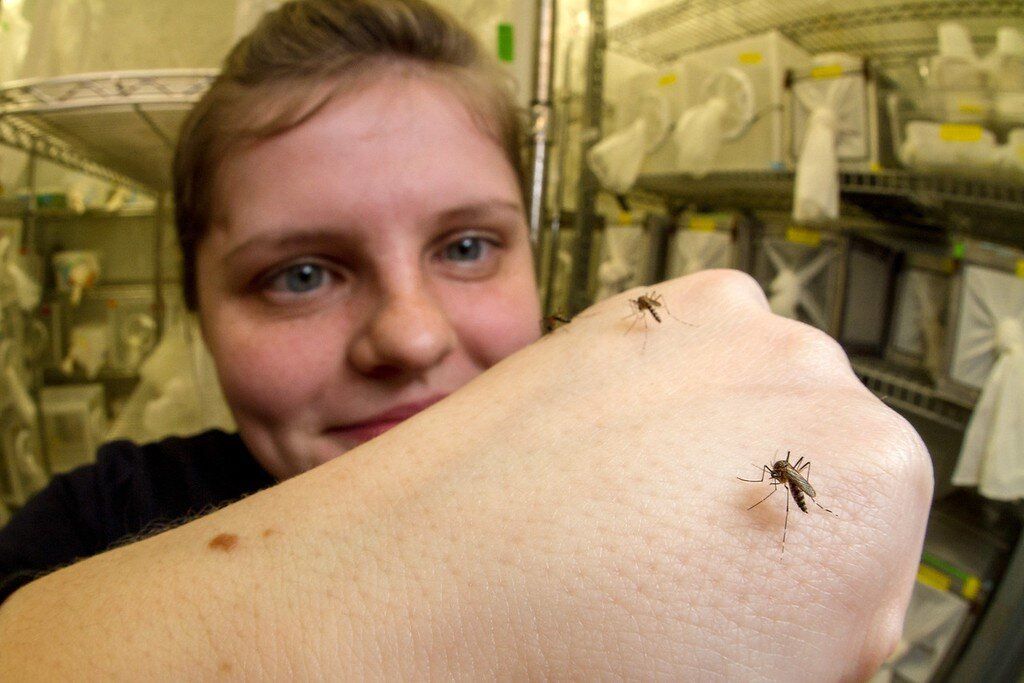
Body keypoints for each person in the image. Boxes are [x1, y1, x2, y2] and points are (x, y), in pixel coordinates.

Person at [0, 0, 932, 678]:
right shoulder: (90, 522)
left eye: (468, 245)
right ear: (195, 309)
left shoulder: (658, 513)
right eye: (301, 274)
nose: (409, 334)